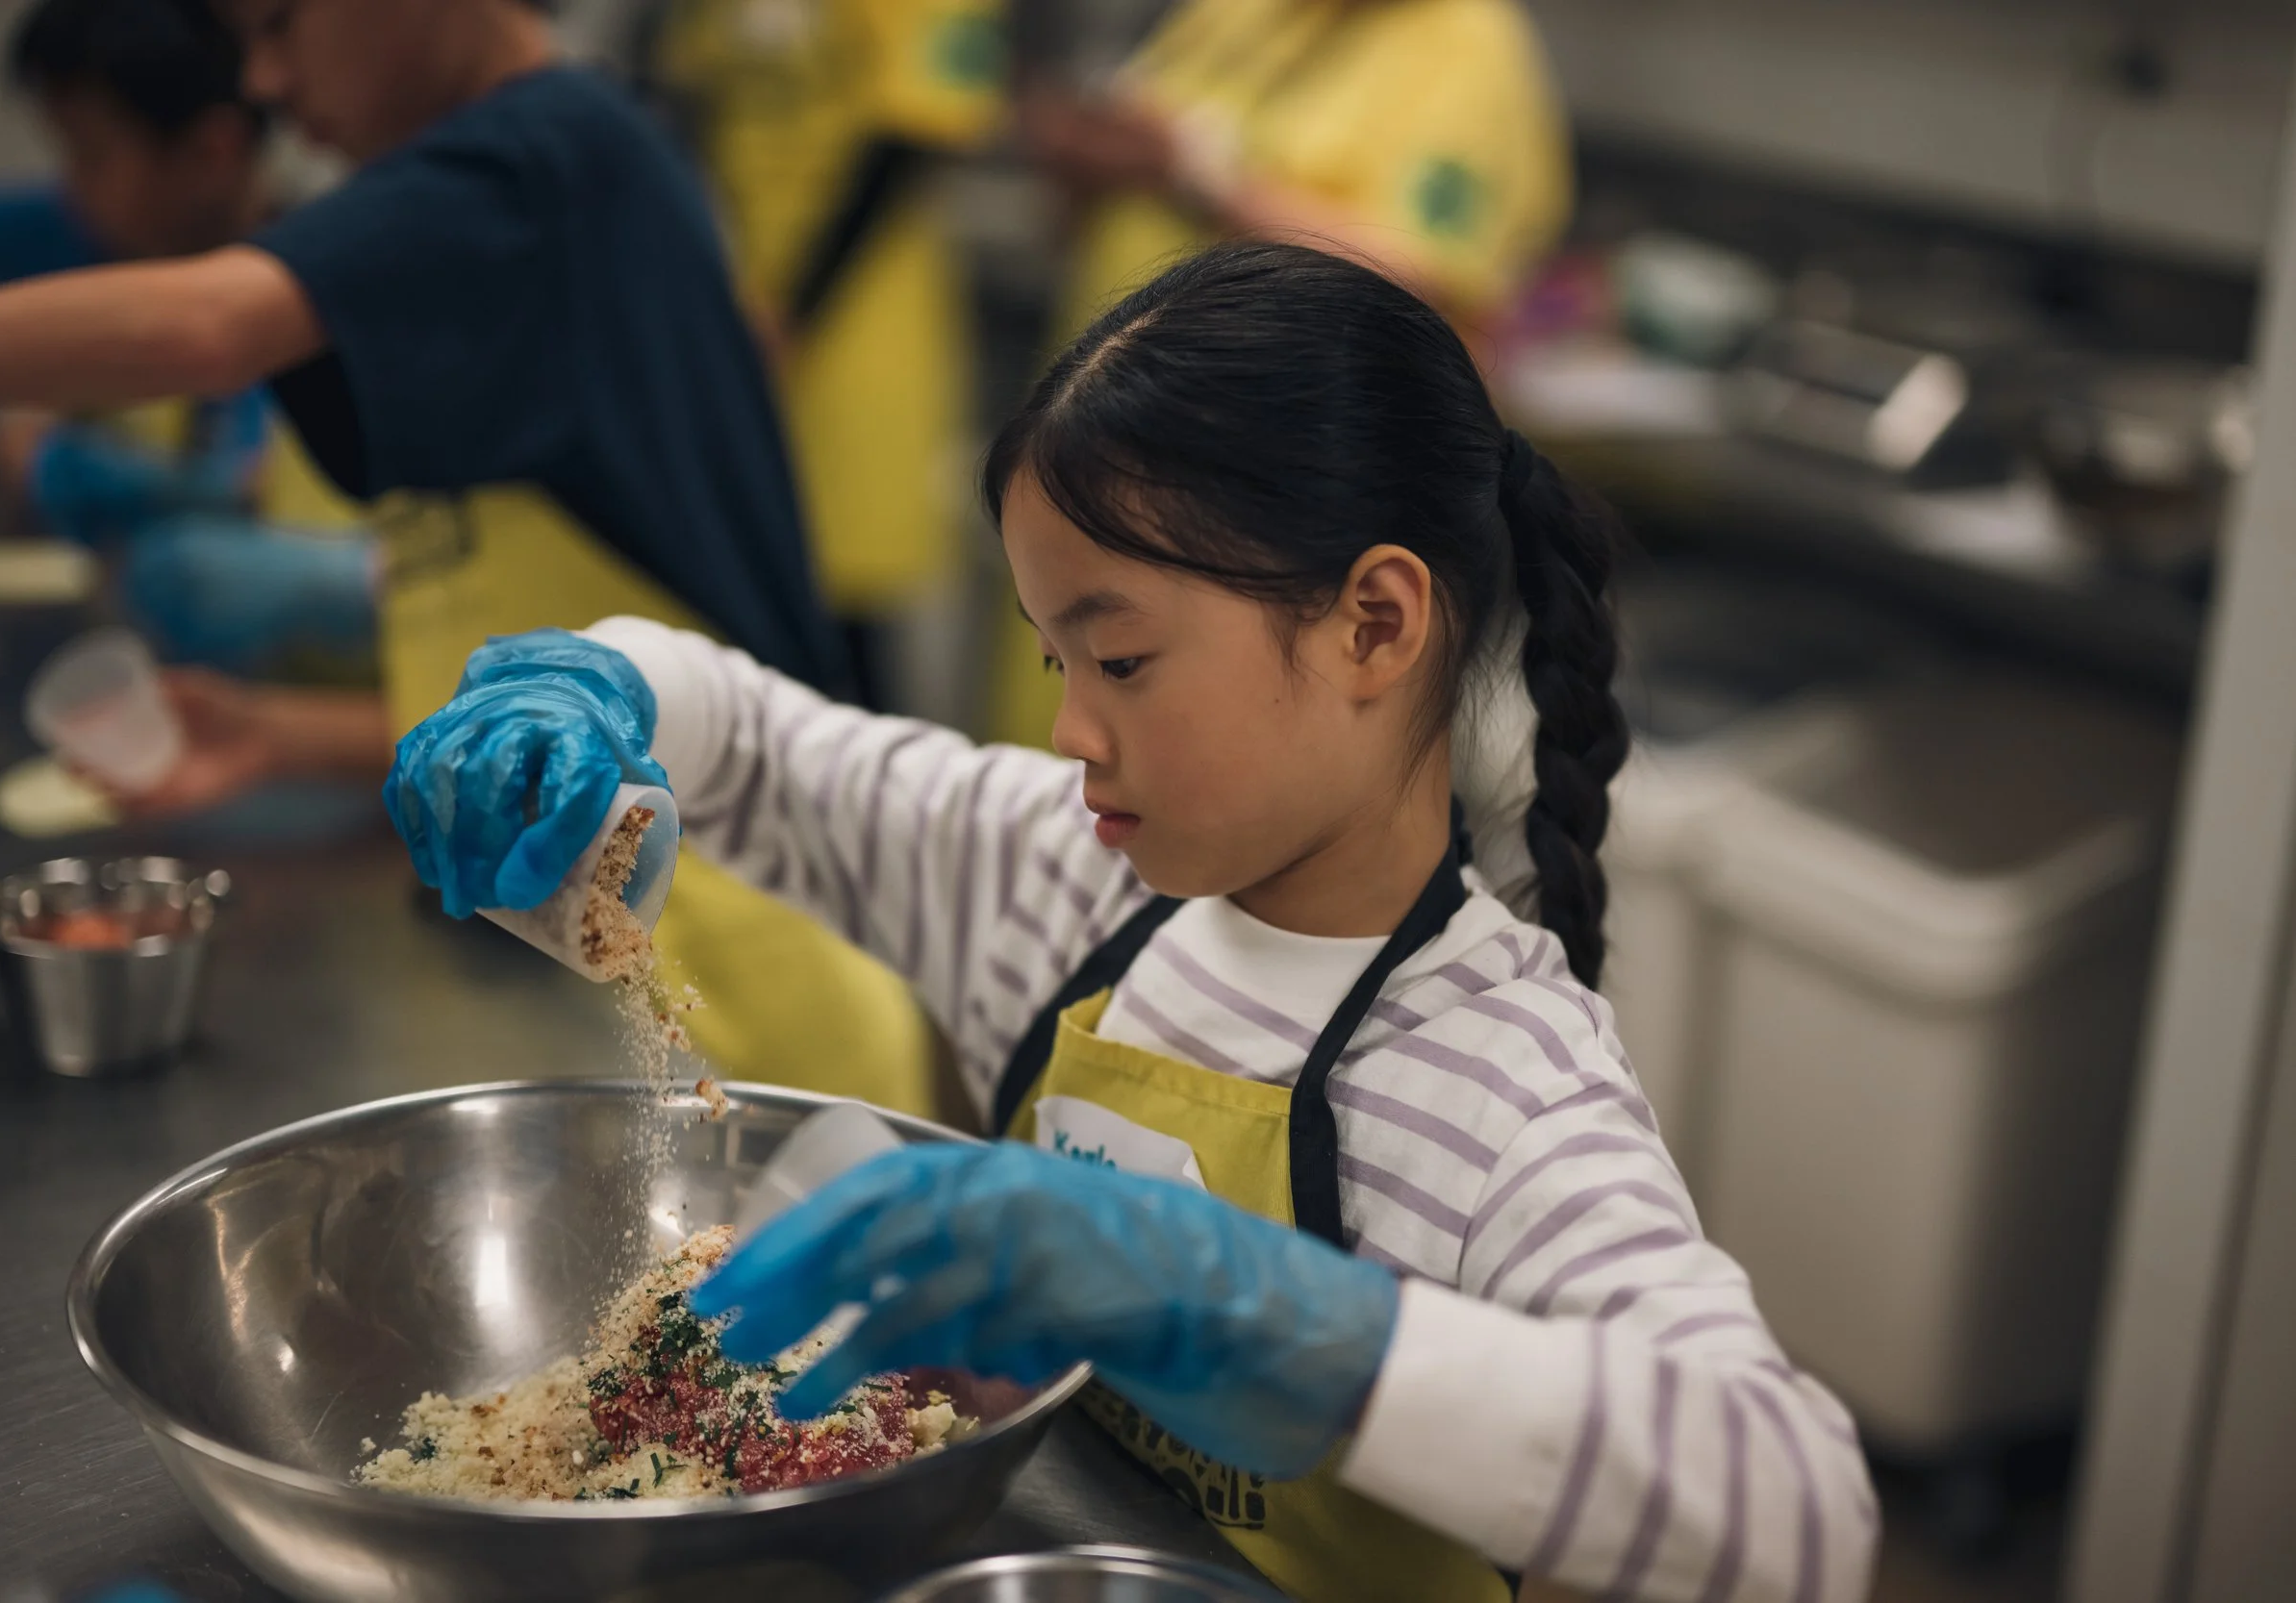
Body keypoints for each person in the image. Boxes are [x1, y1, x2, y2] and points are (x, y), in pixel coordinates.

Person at [384, 243, 1878, 1602]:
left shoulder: (1503, 1088)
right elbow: (760, 740)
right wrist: (594, 697)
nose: (1069, 730)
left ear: (1373, 622)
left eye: (1124, 659)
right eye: (1052, 656)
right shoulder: (1062, 879)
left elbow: (1796, 1510)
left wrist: (1271, 1315)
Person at [0, 0, 935, 1113]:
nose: (268, 82)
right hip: (601, 971)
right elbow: (561, 704)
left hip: (746, 987)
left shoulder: (555, 149)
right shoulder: (500, 221)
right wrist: (278, 736)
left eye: (283, 24)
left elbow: (196, 328)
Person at [986, 0, 1572, 748]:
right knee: (1068, 752)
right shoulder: (1242, 10)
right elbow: (1090, 200)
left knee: (1204, 774)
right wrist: (1083, 156)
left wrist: (1195, 175)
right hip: (1103, 464)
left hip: (1259, 502)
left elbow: (1415, 280)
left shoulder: (1465, 46)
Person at [0, 0, 370, 672]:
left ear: (213, 150)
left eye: (89, 155)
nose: (71, 192)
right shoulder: (127, 237)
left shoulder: (349, 311)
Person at [651, 0, 1005, 706]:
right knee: (730, 581)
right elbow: (678, 102)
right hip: (730, 291)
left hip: (857, 312)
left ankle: (864, 805)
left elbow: (920, 134)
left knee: (845, 593)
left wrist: (790, 309)